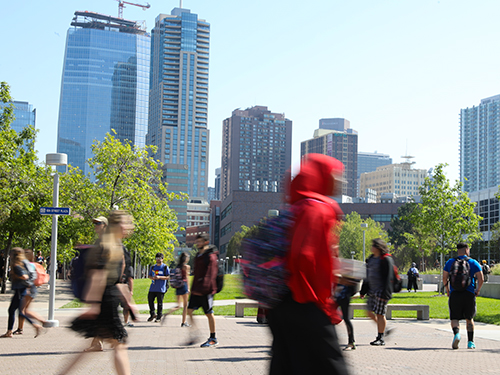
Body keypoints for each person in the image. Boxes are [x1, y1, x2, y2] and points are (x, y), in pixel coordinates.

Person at [268, 153, 348, 374]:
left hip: (282, 303)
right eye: (336, 175)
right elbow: (305, 258)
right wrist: (323, 303)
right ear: (323, 177)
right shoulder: (318, 209)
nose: (341, 181)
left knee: (286, 366)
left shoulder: (297, 207)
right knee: (333, 367)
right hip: (306, 301)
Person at [61, 210, 136, 375]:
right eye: (126, 223)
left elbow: (117, 279)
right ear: (115, 225)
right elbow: (98, 276)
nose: (129, 227)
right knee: (120, 344)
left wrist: (129, 302)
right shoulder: (107, 246)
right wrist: (93, 304)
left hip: (107, 298)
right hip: (104, 300)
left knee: (111, 344)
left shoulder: (117, 246)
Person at [443, 242, 483, 350]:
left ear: (458, 250)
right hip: (469, 293)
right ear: (466, 250)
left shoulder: (450, 262)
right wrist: (477, 290)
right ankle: (470, 342)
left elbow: (444, 278)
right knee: (469, 318)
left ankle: (457, 334)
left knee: (454, 317)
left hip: (455, 293)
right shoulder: (473, 262)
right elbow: (481, 278)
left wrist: (448, 290)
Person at [359, 239, 396, 346]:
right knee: (369, 312)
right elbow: (367, 276)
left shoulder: (385, 259)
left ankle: (380, 338)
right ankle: (386, 329)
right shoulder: (370, 259)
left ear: (378, 247)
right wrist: (363, 291)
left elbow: (389, 277)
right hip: (371, 291)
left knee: (380, 314)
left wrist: (386, 293)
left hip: (382, 292)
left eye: (373, 246)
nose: (371, 248)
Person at [186, 233, 219, 347]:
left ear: (205, 242)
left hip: (206, 290)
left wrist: (204, 288)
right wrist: (193, 288)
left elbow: (211, 274)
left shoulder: (210, 256)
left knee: (209, 313)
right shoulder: (197, 256)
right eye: (197, 241)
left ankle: (213, 338)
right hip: (197, 289)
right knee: (189, 311)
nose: (197, 243)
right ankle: (195, 334)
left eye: (200, 241)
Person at [1, 248, 42, 338]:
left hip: (20, 290)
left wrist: (17, 276)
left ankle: (36, 325)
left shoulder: (17, 265)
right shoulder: (21, 263)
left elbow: (25, 276)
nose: (9, 255)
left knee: (19, 311)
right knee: (13, 310)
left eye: (11, 254)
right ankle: (9, 331)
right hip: (19, 290)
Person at [13, 249, 48, 336]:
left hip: (28, 288)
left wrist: (28, 285)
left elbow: (29, 277)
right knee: (24, 310)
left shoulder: (27, 265)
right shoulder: (31, 264)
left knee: (23, 310)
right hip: (31, 287)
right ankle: (21, 328)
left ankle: (40, 322)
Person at [164, 252, 191, 327]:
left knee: (178, 305)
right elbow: (187, 278)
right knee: (185, 306)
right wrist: (188, 288)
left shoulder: (177, 267)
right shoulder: (186, 267)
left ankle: (166, 314)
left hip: (178, 287)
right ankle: (183, 322)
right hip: (184, 286)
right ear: (185, 259)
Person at [147, 253, 169, 322]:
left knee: (160, 303)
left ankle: (159, 316)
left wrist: (160, 277)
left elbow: (168, 277)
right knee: (150, 300)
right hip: (153, 287)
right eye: (157, 258)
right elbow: (149, 276)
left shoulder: (165, 267)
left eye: (159, 258)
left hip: (161, 288)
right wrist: (152, 278)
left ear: (162, 259)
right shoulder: (153, 267)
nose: (158, 260)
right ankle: (152, 314)